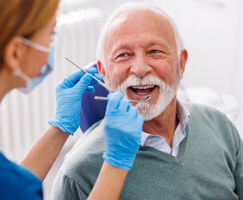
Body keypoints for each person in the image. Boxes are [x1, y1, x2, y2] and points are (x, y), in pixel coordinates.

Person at [0, 1, 145, 199]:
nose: (140, 68)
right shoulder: (4, 184)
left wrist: (60, 127)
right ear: (15, 53)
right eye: (51, 35)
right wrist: (116, 163)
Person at [52, 2, 243, 200]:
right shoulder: (78, 175)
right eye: (123, 55)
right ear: (104, 73)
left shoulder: (222, 128)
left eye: (155, 51)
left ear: (181, 63)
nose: (140, 69)